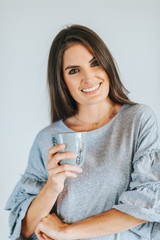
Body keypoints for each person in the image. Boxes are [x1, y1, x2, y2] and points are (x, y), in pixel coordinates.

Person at [6, 24, 160, 240]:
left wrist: (67, 232)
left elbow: (148, 203)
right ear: (62, 80)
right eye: (74, 70)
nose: (88, 78)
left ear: (107, 65)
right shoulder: (46, 138)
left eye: (95, 63)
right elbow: (24, 228)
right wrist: (52, 186)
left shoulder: (138, 120)